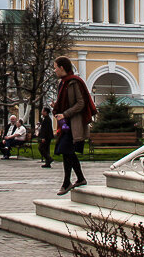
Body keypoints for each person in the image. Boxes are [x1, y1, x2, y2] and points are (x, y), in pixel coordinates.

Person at [52, 56, 96, 195]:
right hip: (66, 124)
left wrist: (65, 114)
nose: (54, 70)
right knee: (67, 151)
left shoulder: (74, 82)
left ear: (62, 68)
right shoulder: (63, 83)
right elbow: (65, 102)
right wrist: (57, 107)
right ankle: (80, 178)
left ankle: (67, 183)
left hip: (74, 123)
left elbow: (81, 103)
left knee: (66, 150)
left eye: (55, 67)